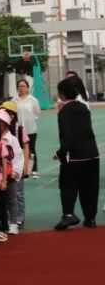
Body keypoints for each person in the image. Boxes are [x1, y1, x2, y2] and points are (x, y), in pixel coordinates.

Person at [54, 76, 99, 229]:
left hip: (75, 156)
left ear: (62, 94)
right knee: (90, 187)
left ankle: (68, 214)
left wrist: (61, 152)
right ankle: (90, 218)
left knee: (67, 184)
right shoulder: (83, 108)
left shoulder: (64, 112)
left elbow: (68, 136)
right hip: (92, 153)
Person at [13, 79, 41, 178]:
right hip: (19, 130)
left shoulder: (33, 100)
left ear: (28, 88)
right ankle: (23, 170)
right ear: (17, 88)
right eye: (20, 86)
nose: (22, 88)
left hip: (31, 129)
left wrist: (31, 119)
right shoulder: (14, 100)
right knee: (20, 150)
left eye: (24, 86)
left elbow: (37, 112)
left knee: (32, 150)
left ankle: (34, 169)